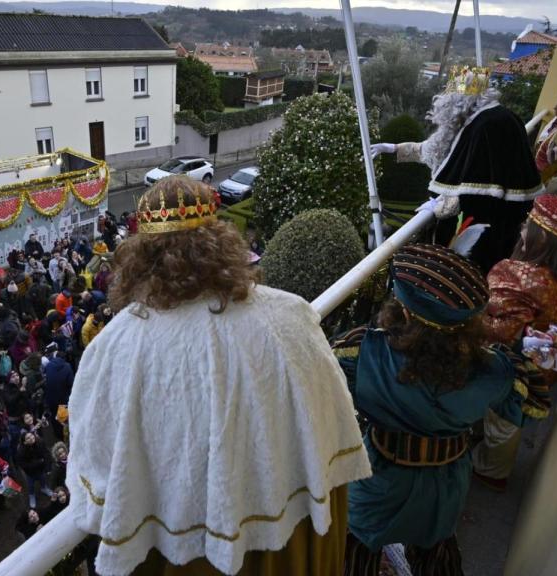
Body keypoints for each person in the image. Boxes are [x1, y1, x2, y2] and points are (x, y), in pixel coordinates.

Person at [67, 177, 370, 575]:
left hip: (189, 555)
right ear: (222, 240)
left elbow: (99, 466)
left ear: (140, 255)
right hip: (292, 538)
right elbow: (329, 422)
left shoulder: (117, 345)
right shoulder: (292, 315)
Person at [342, 244, 527, 575]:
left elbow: (320, 391)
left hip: (381, 475)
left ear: (406, 313)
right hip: (447, 482)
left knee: (356, 544)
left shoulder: (365, 353)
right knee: (435, 549)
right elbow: (520, 410)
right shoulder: (496, 370)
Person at [472, 195, 557, 490]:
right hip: (551, 356)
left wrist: (465, 317)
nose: (523, 228)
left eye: (529, 224)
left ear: (542, 239)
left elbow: (503, 331)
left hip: (513, 361)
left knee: (503, 418)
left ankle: (491, 472)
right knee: (519, 410)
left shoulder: (518, 277)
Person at [372, 66, 543, 272]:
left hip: (488, 231)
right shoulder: (476, 118)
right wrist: (393, 149)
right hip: (495, 222)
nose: (444, 99)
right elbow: (437, 148)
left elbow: (476, 193)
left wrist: (438, 207)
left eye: (450, 94)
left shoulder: (488, 125)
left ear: (461, 97)